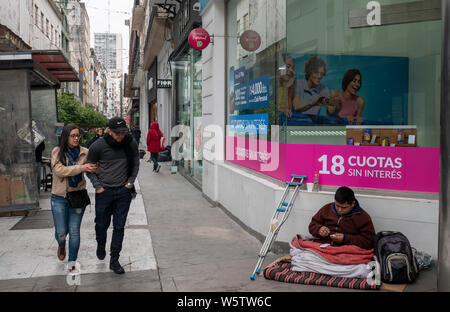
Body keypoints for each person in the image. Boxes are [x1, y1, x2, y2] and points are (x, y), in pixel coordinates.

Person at [86, 117, 140, 274]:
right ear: (108, 131)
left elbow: (136, 163)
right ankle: (101, 243)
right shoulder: (98, 146)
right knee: (101, 225)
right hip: (104, 192)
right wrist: (98, 187)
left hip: (123, 192)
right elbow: (89, 169)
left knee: (119, 226)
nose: (120, 136)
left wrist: (129, 183)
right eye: (117, 133)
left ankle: (114, 260)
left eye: (123, 132)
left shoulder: (130, 143)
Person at [50, 125, 98, 273]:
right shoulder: (57, 151)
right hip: (59, 198)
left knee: (74, 230)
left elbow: (94, 168)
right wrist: (82, 168)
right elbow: (60, 171)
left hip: (77, 196)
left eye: (78, 135)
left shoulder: (85, 152)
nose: (76, 138)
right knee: (61, 232)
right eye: (73, 135)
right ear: (66, 137)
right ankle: (61, 243)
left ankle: (72, 263)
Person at [308, 186, 375, 250]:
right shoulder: (327, 208)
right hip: (322, 246)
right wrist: (319, 229)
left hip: (346, 250)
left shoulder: (363, 217)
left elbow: (369, 241)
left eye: (344, 207)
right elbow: (312, 225)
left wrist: (345, 238)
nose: (339, 210)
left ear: (353, 204)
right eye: (337, 205)